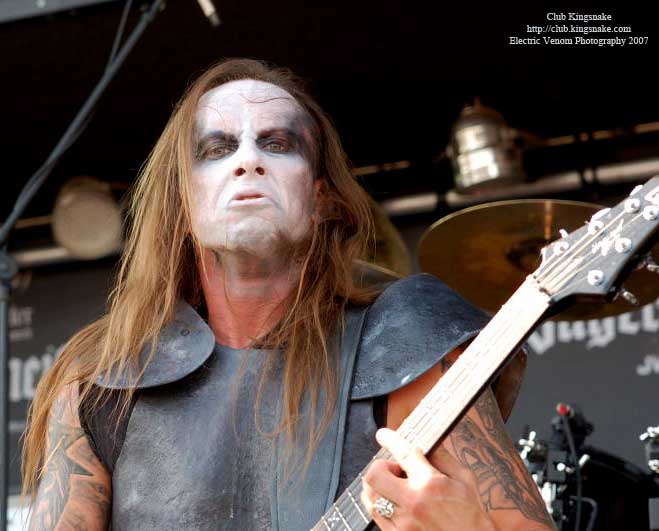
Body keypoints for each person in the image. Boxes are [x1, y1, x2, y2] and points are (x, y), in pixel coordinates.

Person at [22, 59, 555, 531]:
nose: (247, 161)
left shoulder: (402, 340)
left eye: (276, 144)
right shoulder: (105, 379)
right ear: (183, 205)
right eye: (217, 149)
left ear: (320, 198)